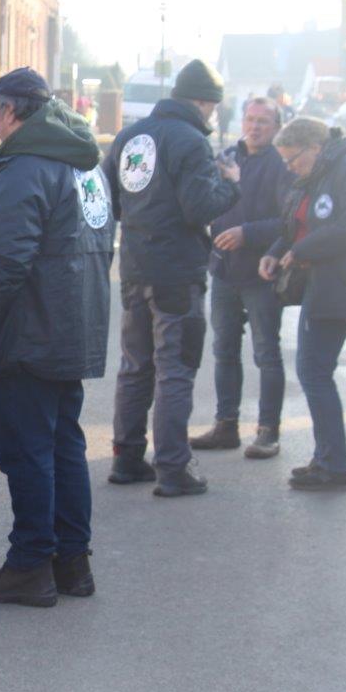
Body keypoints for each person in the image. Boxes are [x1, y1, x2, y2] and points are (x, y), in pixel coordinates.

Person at [0, 67, 113, 607]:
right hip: (70, 330)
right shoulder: (83, 165)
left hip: (28, 334)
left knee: (28, 450)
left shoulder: (24, 168)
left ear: (13, 111)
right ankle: (71, 563)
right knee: (63, 444)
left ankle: (30, 564)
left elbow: (6, 260)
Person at [103, 58, 241, 497]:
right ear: (204, 103)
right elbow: (200, 207)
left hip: (135, 268)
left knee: (135, 364)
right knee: (176, 368)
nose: (214, 117)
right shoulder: (190, 141)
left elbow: (110, 198)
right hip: (178, 273)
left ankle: (127, 458)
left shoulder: (130, 137)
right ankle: (173, 468)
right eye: (214, 108)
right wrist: (230, 183)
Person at [259, 118, 346, 492]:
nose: (289, 168)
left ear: (314, 147)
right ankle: (326, 459)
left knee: (314, 371)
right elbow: (296, 224)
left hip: (341, 285)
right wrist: (277, 250)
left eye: (293, 160)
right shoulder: (324, 170)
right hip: (324, 283)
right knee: (313, 370)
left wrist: (302, 250)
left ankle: (333, 467)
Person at [191, 97, 293, 458]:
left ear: (277, 126)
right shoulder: (226, 157)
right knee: (224, 351)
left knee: (266, 353)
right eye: (250, 119)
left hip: (262, 272)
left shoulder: (284, 164)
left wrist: (247, 233)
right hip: (223, 271)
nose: (255, 127)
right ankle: (226, 426)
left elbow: (289, 221)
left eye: (263, 121)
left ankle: (268, 431)